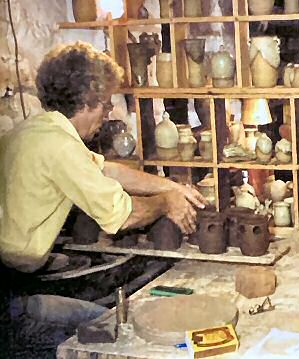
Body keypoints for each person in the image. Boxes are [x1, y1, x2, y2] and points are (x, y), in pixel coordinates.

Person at [0, 42, 206, 355]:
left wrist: (170, 187)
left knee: (105, 320)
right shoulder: (60, 148)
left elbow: (107, 170)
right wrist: (166, 204)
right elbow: (121, 217)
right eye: (107, 103)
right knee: (117, 336)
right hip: (10, 293)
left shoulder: (35, 131)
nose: (108, 112)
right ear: (88, 100)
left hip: (15, 280)